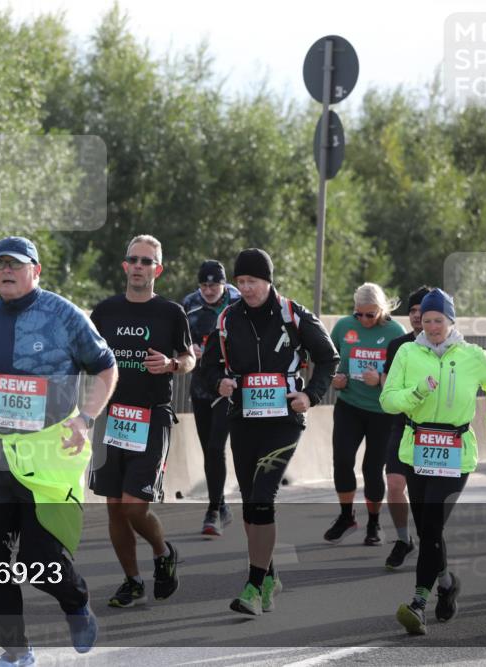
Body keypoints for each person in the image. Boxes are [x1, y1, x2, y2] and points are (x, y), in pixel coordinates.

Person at [0, 236, 118, 667]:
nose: (6, 271)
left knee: (40, 561)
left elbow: (106, 368)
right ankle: (17, 652)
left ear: (36, 270)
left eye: (15, 264)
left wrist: (85, 417)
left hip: (49, 462)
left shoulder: (64, 316)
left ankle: (75, 602)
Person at [202, 248, 338, 616]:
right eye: (241, 282)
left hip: (283, 422)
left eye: (253, 282)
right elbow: (207, 368)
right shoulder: (227, 319)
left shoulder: (293, 314)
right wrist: (220, 383)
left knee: (264, 495)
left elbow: (329, 358)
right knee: (250, 505)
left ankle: (252, 584)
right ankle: (270, 573)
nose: (246, 288)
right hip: (244, 420)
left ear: (268, 280)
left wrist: (310, 395)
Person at [381, 288, 486, 636]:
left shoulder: (473, 355)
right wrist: (417, 393)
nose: (432, 326)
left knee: (433, 524)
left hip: (455, 452)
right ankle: (447, 583)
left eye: (439, 320)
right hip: (416, 448)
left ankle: (418, 603)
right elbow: (388, 400)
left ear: (451, 321)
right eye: (427, 320)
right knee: (426, 530)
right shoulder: (407, 352)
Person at [89, 235, 194, 608]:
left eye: (146, 261)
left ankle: (163, 552)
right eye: (132, 259)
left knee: (135, 506)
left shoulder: (170, 313)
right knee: (114, 507)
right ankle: (132, 581)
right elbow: (88, 357)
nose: (138, 266)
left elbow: (189, 358)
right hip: (110, 417)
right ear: (124, 266)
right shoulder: (104, 312)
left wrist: (171, 365)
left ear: (157, 270)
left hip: (150, 418)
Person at [323, 284, 406, 546]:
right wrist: (334, 379)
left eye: (371, 315)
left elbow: (403, 376)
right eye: (359, 314)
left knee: (372, 469)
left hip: (382, 412)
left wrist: (380, 379)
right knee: (343, 460)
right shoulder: (343, 326)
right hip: (349, 405)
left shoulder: (395, 332)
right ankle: (347, 516)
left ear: (382, 310)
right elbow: (328, 359)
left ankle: (374, 523)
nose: (364, 320)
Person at [182, 260, 240, 537]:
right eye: (203, 285)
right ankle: (222, 503)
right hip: (202, 385)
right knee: (209, 449)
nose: (208, 290)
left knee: (217, 445)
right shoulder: (189, 305)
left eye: (213, 285)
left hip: (230, 386)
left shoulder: (239, 302)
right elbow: (177, 342)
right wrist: (188, 350)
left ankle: (213, 510)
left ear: (224, 283)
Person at [382, 286, 432, 569]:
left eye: (421, 311)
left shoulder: (450, 347)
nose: (415, 316)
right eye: (412, 311)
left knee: (424, 495)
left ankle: (430, 543)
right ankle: (403, 539)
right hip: (403, 425)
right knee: (395, 483)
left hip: (437, 431)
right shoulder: (398, 346)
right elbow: (389, 388)